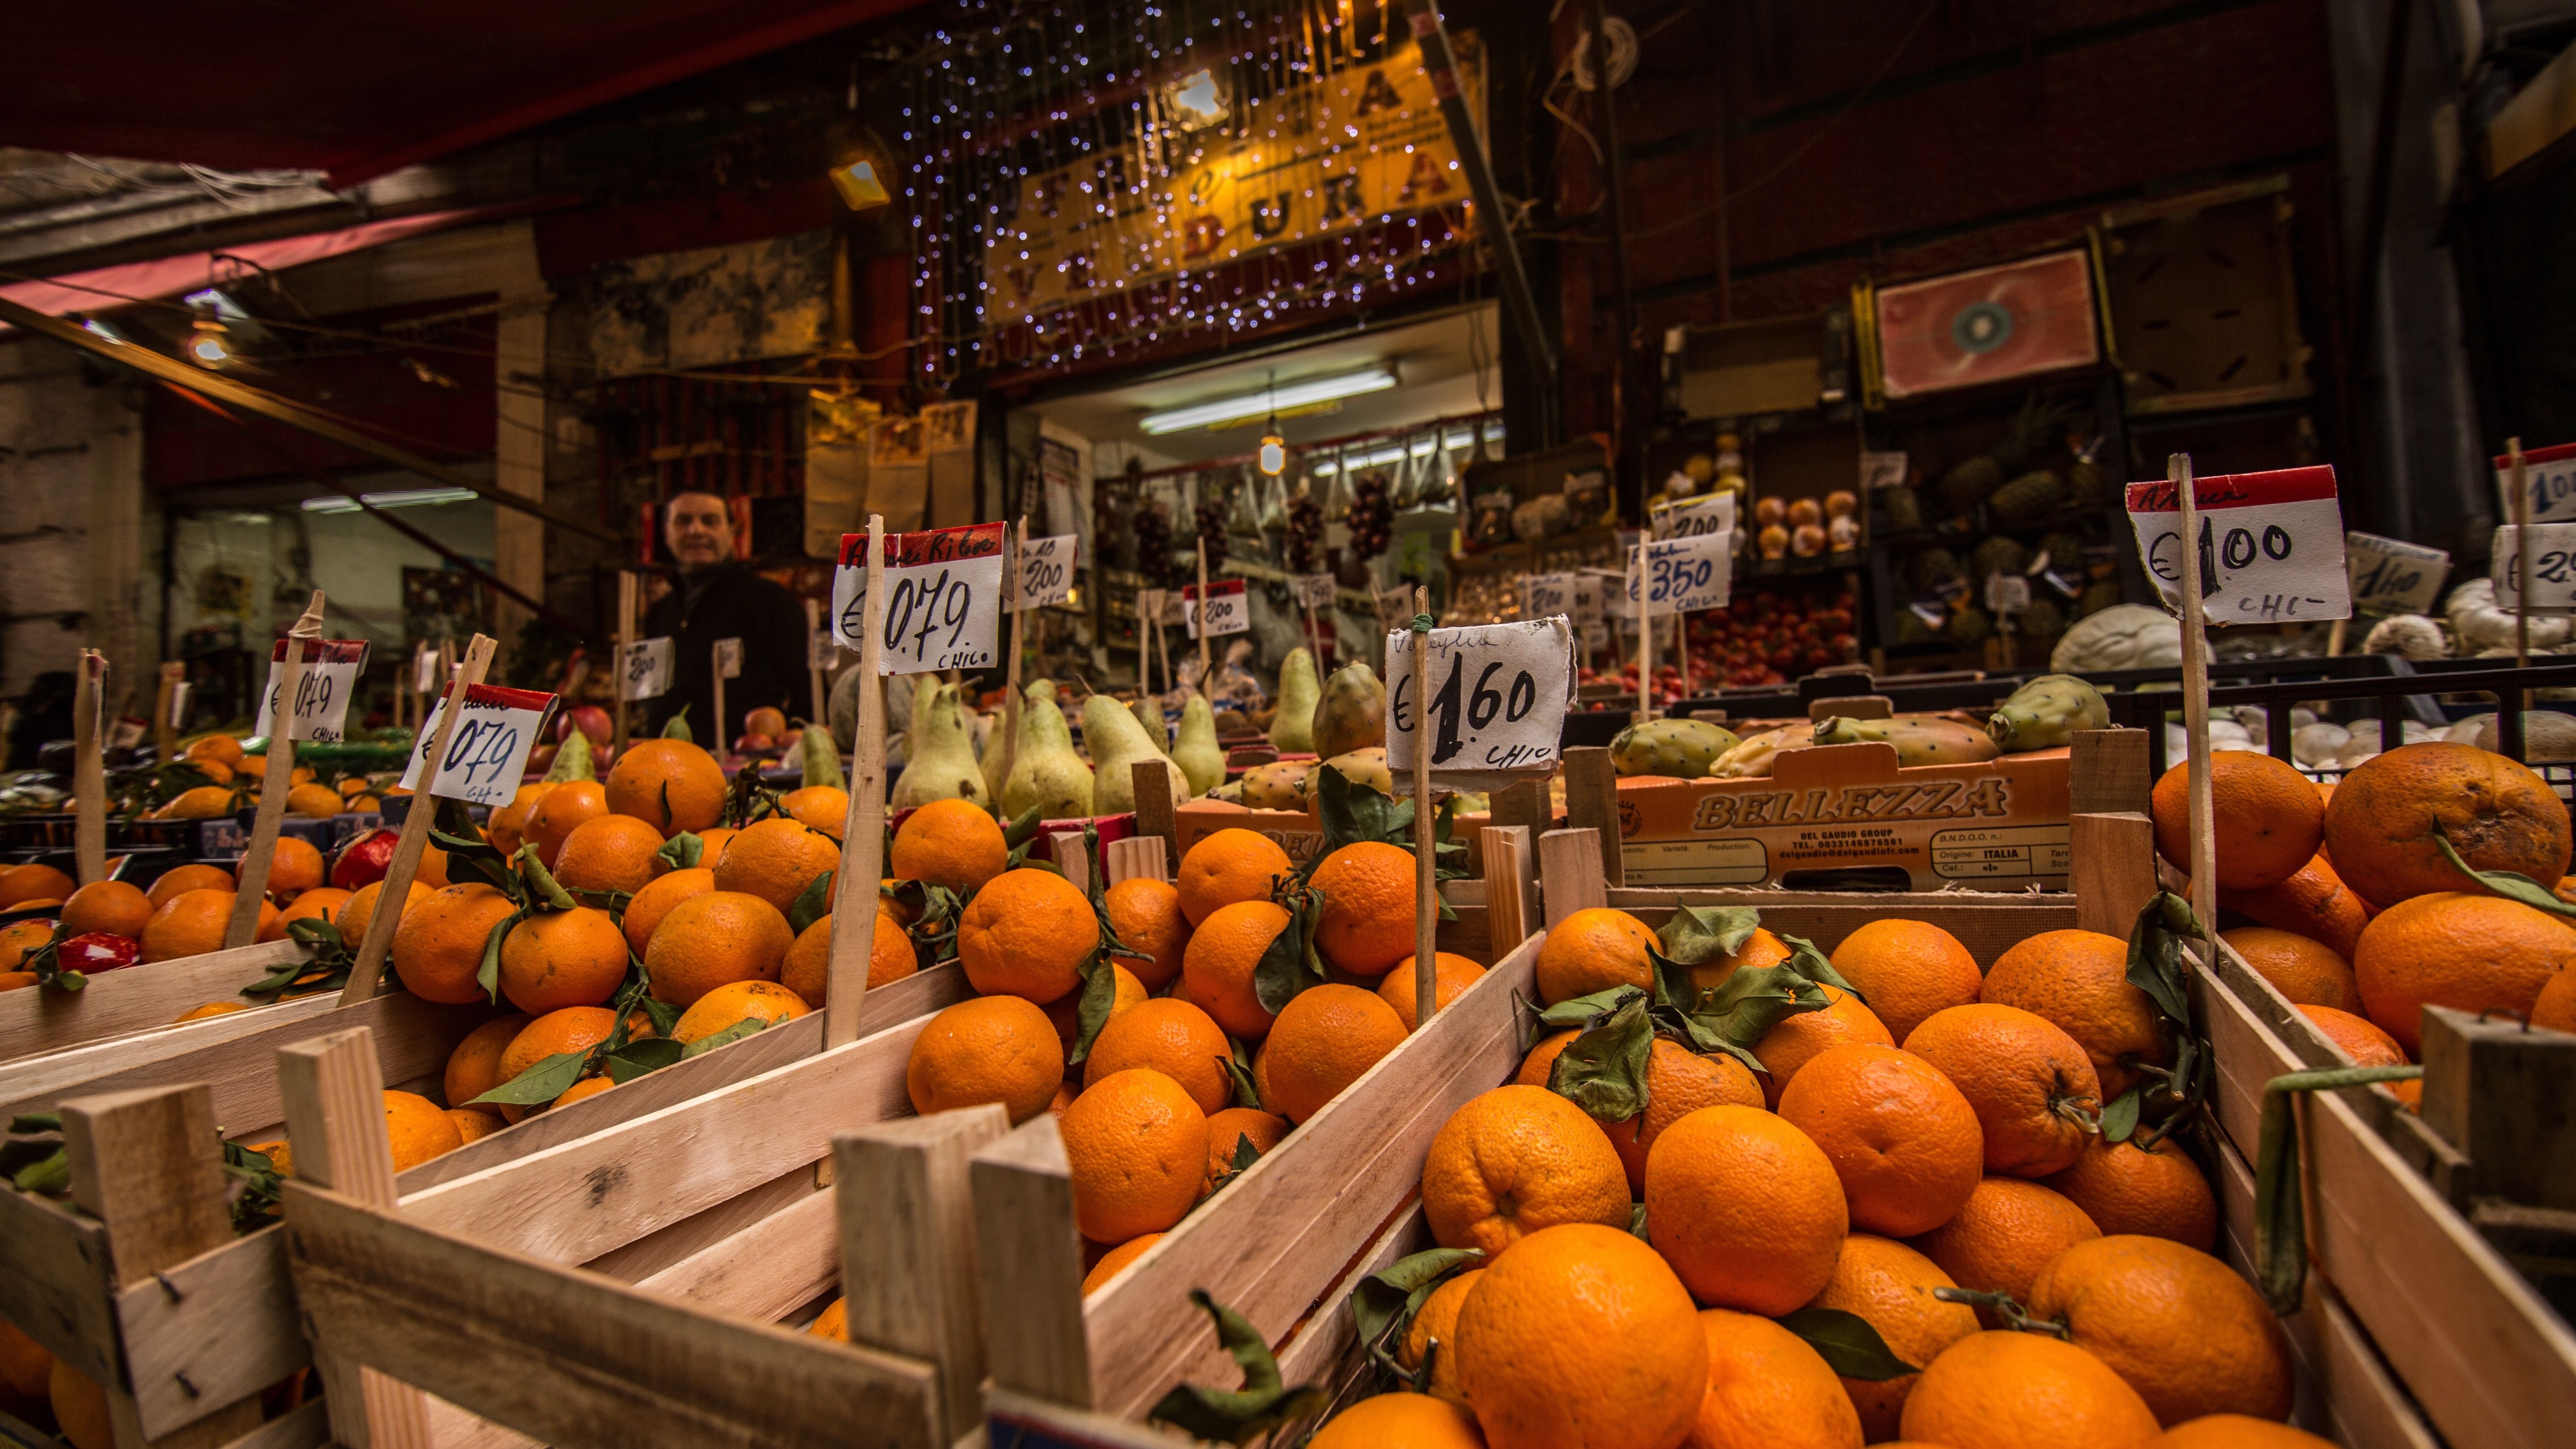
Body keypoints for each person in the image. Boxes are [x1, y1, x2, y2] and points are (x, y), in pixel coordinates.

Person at [640, 491, 810, 745]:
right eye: (683, 521)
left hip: (748, 762)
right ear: (666, 533)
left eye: (710, 521)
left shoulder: (770, 600)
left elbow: (807, 688)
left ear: (732, 532)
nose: (696, 531)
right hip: (666, 758)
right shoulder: (660, 612)